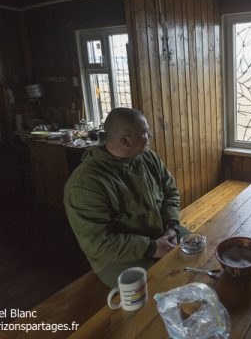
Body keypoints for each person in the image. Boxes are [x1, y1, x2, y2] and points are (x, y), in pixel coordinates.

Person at [64, 108, 189, 287]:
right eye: (145, 132)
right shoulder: (85, 184)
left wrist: (172, 228)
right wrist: (152, 248)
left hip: (160, 232)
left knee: (198, 254)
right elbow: (99, 243)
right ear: (125, 140)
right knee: (162, 286)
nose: (150, 135)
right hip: (116, 256)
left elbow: (171, 193)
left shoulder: (148, 158)